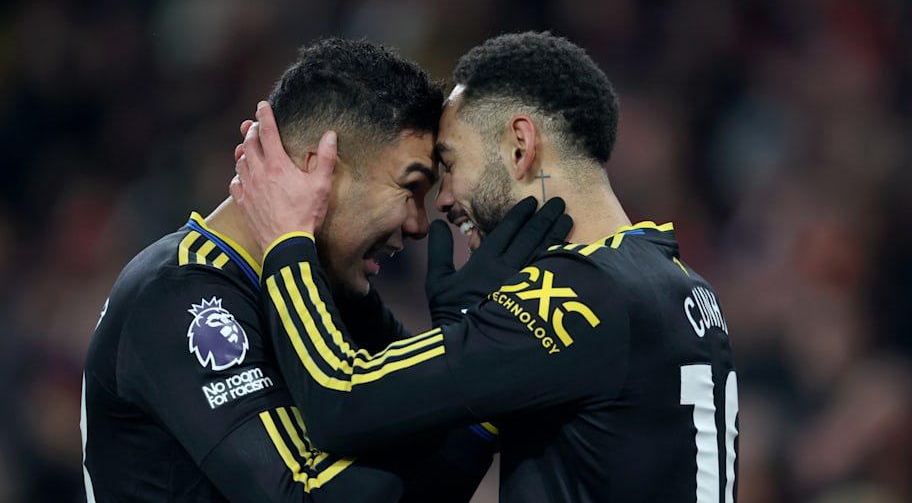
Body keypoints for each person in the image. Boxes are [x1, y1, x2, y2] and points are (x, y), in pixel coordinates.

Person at [232, 31, 739, 503]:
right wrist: (466, 335)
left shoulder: (578, 294)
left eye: (450, 164)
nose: (445, 200)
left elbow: (339, 399)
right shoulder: (679, 282)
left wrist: (288, 238)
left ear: (520, 145)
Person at [81, 36, 568, 503]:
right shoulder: (178, 294)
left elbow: (424, 483)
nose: (420, 226)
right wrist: (464, 362)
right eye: (410, 187)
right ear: (319, 171)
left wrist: (470, 356)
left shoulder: (332, 291)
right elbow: (309, 497)